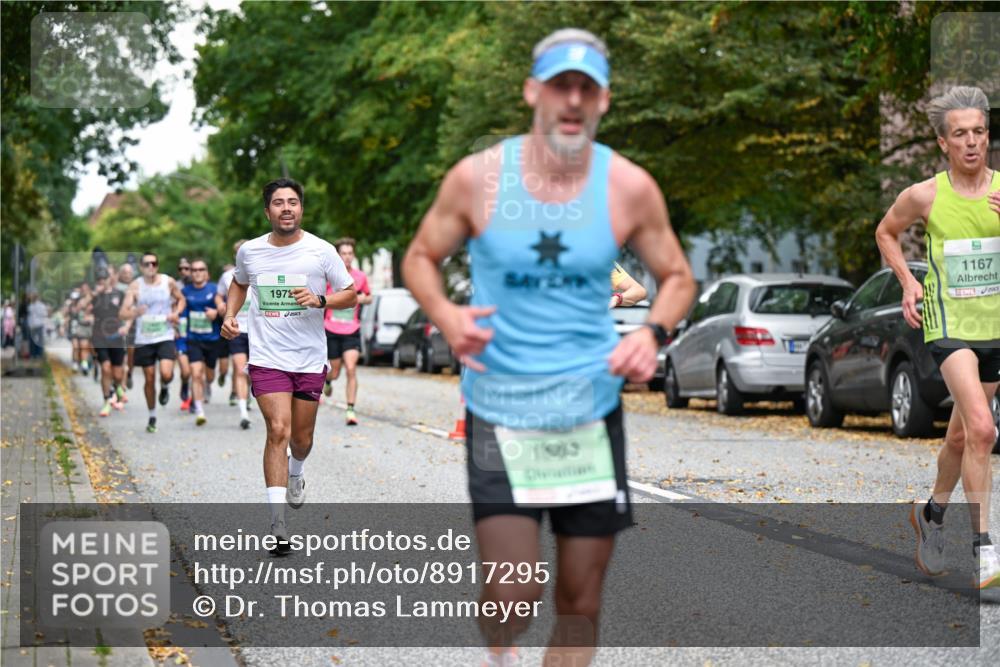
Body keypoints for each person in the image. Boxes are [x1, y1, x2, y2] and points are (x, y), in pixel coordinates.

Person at [402, 28, 695, 666]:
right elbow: (420, 257)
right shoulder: (477, 179)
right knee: (513, 593)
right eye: (561, 85)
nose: (573, 100)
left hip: (588, 413)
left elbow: (676, 277)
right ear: (533, 91)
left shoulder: (627, 186)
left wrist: (651, 333)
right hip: (500, 410)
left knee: (580, 600)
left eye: (586, 88)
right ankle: (501, 652)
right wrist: (447, 314)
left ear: (604, 100)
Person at [875, 85, 1000, 590]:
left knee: (960, 436)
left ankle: (931, 515)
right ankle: (985, 549)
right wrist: (908, 282)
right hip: (947, 325)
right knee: (983, 429)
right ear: (943, 143)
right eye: (960, 134)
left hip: (994, 325)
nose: (971, 142)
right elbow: (886, 232)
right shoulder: (924, 195)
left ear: (987, 136)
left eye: (979, 132)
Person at [221, 178, 356, 552]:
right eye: (278, 202)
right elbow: (239, 284)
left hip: (309, 358)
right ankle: (278, 525)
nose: (286, 208)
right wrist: (230, 315)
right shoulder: (250, 251)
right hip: (267, 357)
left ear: (301, 209)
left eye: (292, 202)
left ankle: (296, 471)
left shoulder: (321, 251)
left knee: (301, 439)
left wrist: (320, 300)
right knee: (278, 430)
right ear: (268, 211)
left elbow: (351, 295)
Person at [119, 251, 186, 433]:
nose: (151, 267)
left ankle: (165, 386)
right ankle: (152, 415)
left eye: (154, 263)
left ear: (157, 266)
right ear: (141, 267)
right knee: (149, 378)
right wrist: (135, 312)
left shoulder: (167, 281)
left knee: (166, 373)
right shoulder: (135, 286)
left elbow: (181, 299)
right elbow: (123, 313)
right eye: (147, 264)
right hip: (144, 338)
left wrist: (176, 313)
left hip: (165, 334)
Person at [322, 237, 372, 425]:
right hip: (331, 329)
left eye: (350, 253)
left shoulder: (360, 277)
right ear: (338, 255)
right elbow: (320, 298)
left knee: (351, 368)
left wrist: (358, 299)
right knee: (334, 372)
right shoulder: (328, 277)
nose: (347, 257)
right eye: (344, 253)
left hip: (352, 330)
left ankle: (350, 410)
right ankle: (328, 381)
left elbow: (369, 297)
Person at [182, 258, 226, 426]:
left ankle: (208, 385)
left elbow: (226, 308)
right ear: (191, 273)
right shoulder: (185, 291)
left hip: (212, 339)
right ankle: (199, 410)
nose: (198, 273)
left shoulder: (215, 290)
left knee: (209, 375)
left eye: (201, 269)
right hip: (193, 339)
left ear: (206, 273)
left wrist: (216, 312)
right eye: (194, 270)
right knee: (196, 373)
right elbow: (181, 313)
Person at [218, 242, 253, 429]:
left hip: (258, 331)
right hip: (237, 329)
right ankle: (243, 413)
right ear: (235, 256)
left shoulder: (260, 272)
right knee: (240, 369)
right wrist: (220, 305)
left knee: (253, 372)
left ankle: (247, 394)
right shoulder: (227, 276)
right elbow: (219, 294)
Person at [90, 268, 129, 417]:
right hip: (99, 337)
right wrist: (94, 294)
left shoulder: (119, 294)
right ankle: (107, 400)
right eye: (99, 280)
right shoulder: (95, 296)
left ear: (109, 279)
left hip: (116, 337)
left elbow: (129, 312)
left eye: (104, 279)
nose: (102, 282)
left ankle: (118, 387)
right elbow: (81, 308)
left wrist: (126, 326)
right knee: (105, 368)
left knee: (118, 374)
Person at [175, 257, 194, 411]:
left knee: (197, 370)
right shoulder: (174, 286)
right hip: (181, 331)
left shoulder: (200, 285)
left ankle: (194, 400)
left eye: (186, 268)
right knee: (186, 371)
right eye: (181, 269)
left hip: (197, 333)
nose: (184, 271)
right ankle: (185, 383)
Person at [117, 263, 138, 389]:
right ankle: (120, 380)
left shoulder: (137, 286)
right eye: (124, 272)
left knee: (131, 352)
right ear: (120, 274)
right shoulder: (116, 287)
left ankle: (129, 373)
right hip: (116, 323)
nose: (127, 275)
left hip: (134, 324)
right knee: (120, 353)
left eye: (129, 272)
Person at [26, 292, 49, 359]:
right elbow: (45, 314)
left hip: (36, 325)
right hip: (36, 325)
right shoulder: (33, 306)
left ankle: (35, 354)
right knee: (37, 340)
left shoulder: (33, 306)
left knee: (34, 340)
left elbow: (44, 314)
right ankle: (37, 354)